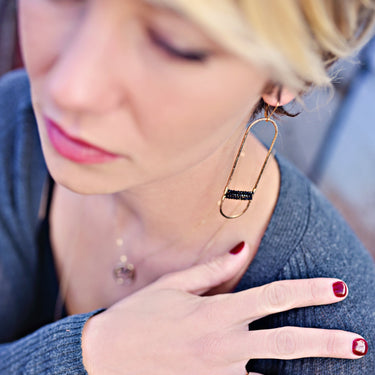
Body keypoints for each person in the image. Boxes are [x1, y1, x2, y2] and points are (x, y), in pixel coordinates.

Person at [1, 0, 375, 374]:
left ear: (284, 75)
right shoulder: (12, 119)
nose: (70, 90)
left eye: (172, 43)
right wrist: (91, 354)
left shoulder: (336, 342)